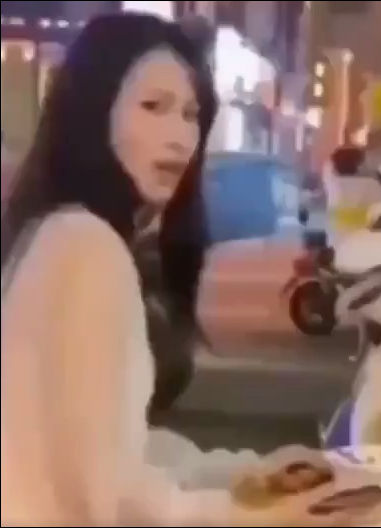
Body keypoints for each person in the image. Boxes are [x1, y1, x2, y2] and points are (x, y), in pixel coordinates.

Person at [1, 14, 356, 526]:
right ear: (93, 112)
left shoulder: (56, 232)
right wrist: (259, 516)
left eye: (191, 114)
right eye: (153, 107)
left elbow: (121, 447)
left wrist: (247, 475)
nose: (178, 136)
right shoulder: (86, 246)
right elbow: (110, 496)